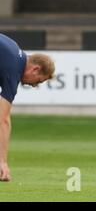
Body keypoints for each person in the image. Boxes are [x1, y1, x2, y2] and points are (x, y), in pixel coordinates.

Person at [0, 33, 55, 181]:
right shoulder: (13, 69)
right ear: (35, 69)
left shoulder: (14, 48)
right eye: (38, 81)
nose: (34, 85)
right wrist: (3, 162)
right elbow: (3, 119)